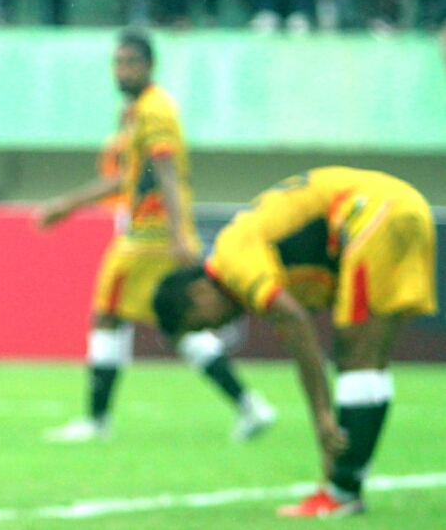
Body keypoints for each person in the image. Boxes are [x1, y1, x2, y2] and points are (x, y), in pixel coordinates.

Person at [153, 168, 438, 518]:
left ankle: (341, 492)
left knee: (355, 350)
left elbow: (296, 320)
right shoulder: (268, 266)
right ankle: (345, 488)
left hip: (375, 212)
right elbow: (297, 320)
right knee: (370, 355)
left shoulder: (231, 255)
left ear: (199, 293)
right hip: (404, 206)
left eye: (201, 323)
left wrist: (321, 414)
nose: (217, 326)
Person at [37, 29, 275, 442]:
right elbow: (126, 179)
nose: (122, 70)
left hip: (152, 235)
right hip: (155, 232)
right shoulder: (134, 114)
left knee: (108, 312)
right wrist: (67, 205)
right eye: (117, 62)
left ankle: (97, 421)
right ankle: (249, 405)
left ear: (149, 66)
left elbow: (167, 172)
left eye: (130, 62)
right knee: (177, 325)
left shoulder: (156, 111)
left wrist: (181, 233)